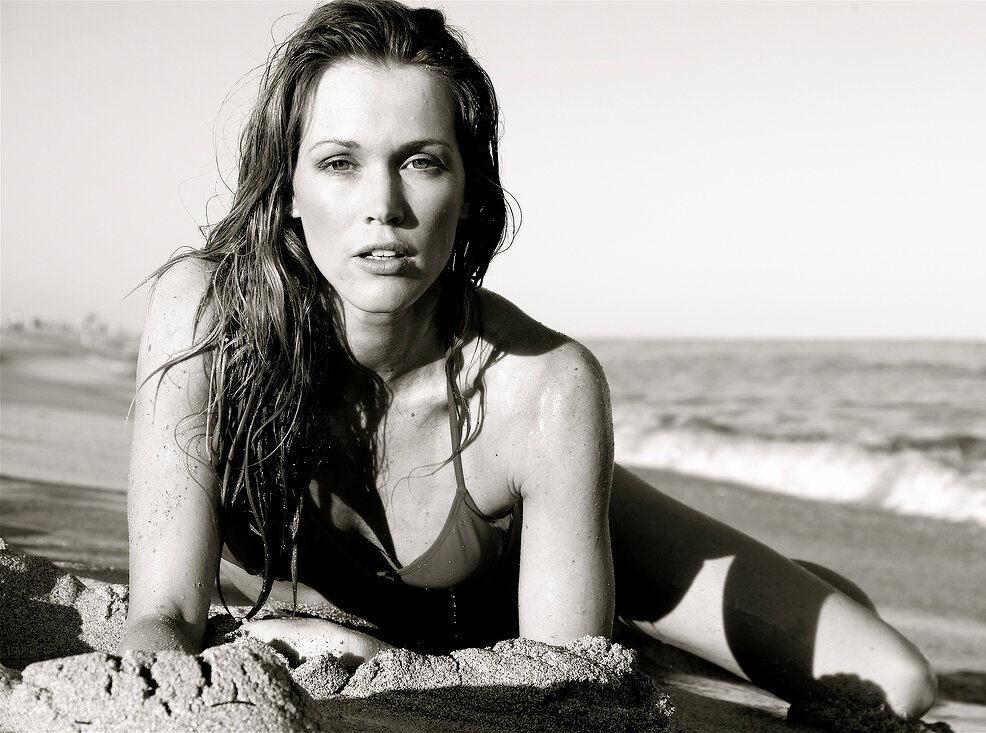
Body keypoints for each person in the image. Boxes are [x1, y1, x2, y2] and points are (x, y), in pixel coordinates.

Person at [121, 0, 936, 721]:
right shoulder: (206, 322)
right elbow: (163, 615)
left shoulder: (545, 388)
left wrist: (361, 655)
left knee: (891, 680)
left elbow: (568, 697)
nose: (384, 206)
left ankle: (753, 598)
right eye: (340, 162)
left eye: (422, 160)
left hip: (568, 521)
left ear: (470, 189)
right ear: (288, 187)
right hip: (460, 621)